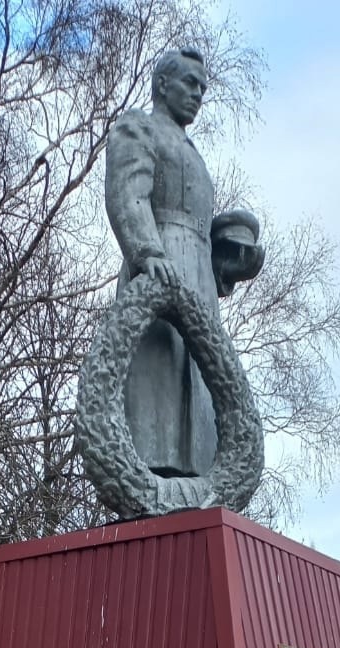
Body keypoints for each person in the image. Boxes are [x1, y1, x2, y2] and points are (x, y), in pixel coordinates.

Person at [105, 46, 263, 481]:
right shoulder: (138, 128)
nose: (198, 94)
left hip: (198, 275)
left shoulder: (192, 150)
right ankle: (154, 469)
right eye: (190, 83)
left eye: (203, 88)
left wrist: (226, 263)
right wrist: (148, 252)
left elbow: (202, 229)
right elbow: (128, 194)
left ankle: (196, 473)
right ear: (162, 84)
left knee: (197, 376)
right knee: (161, 372)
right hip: (161, 264)